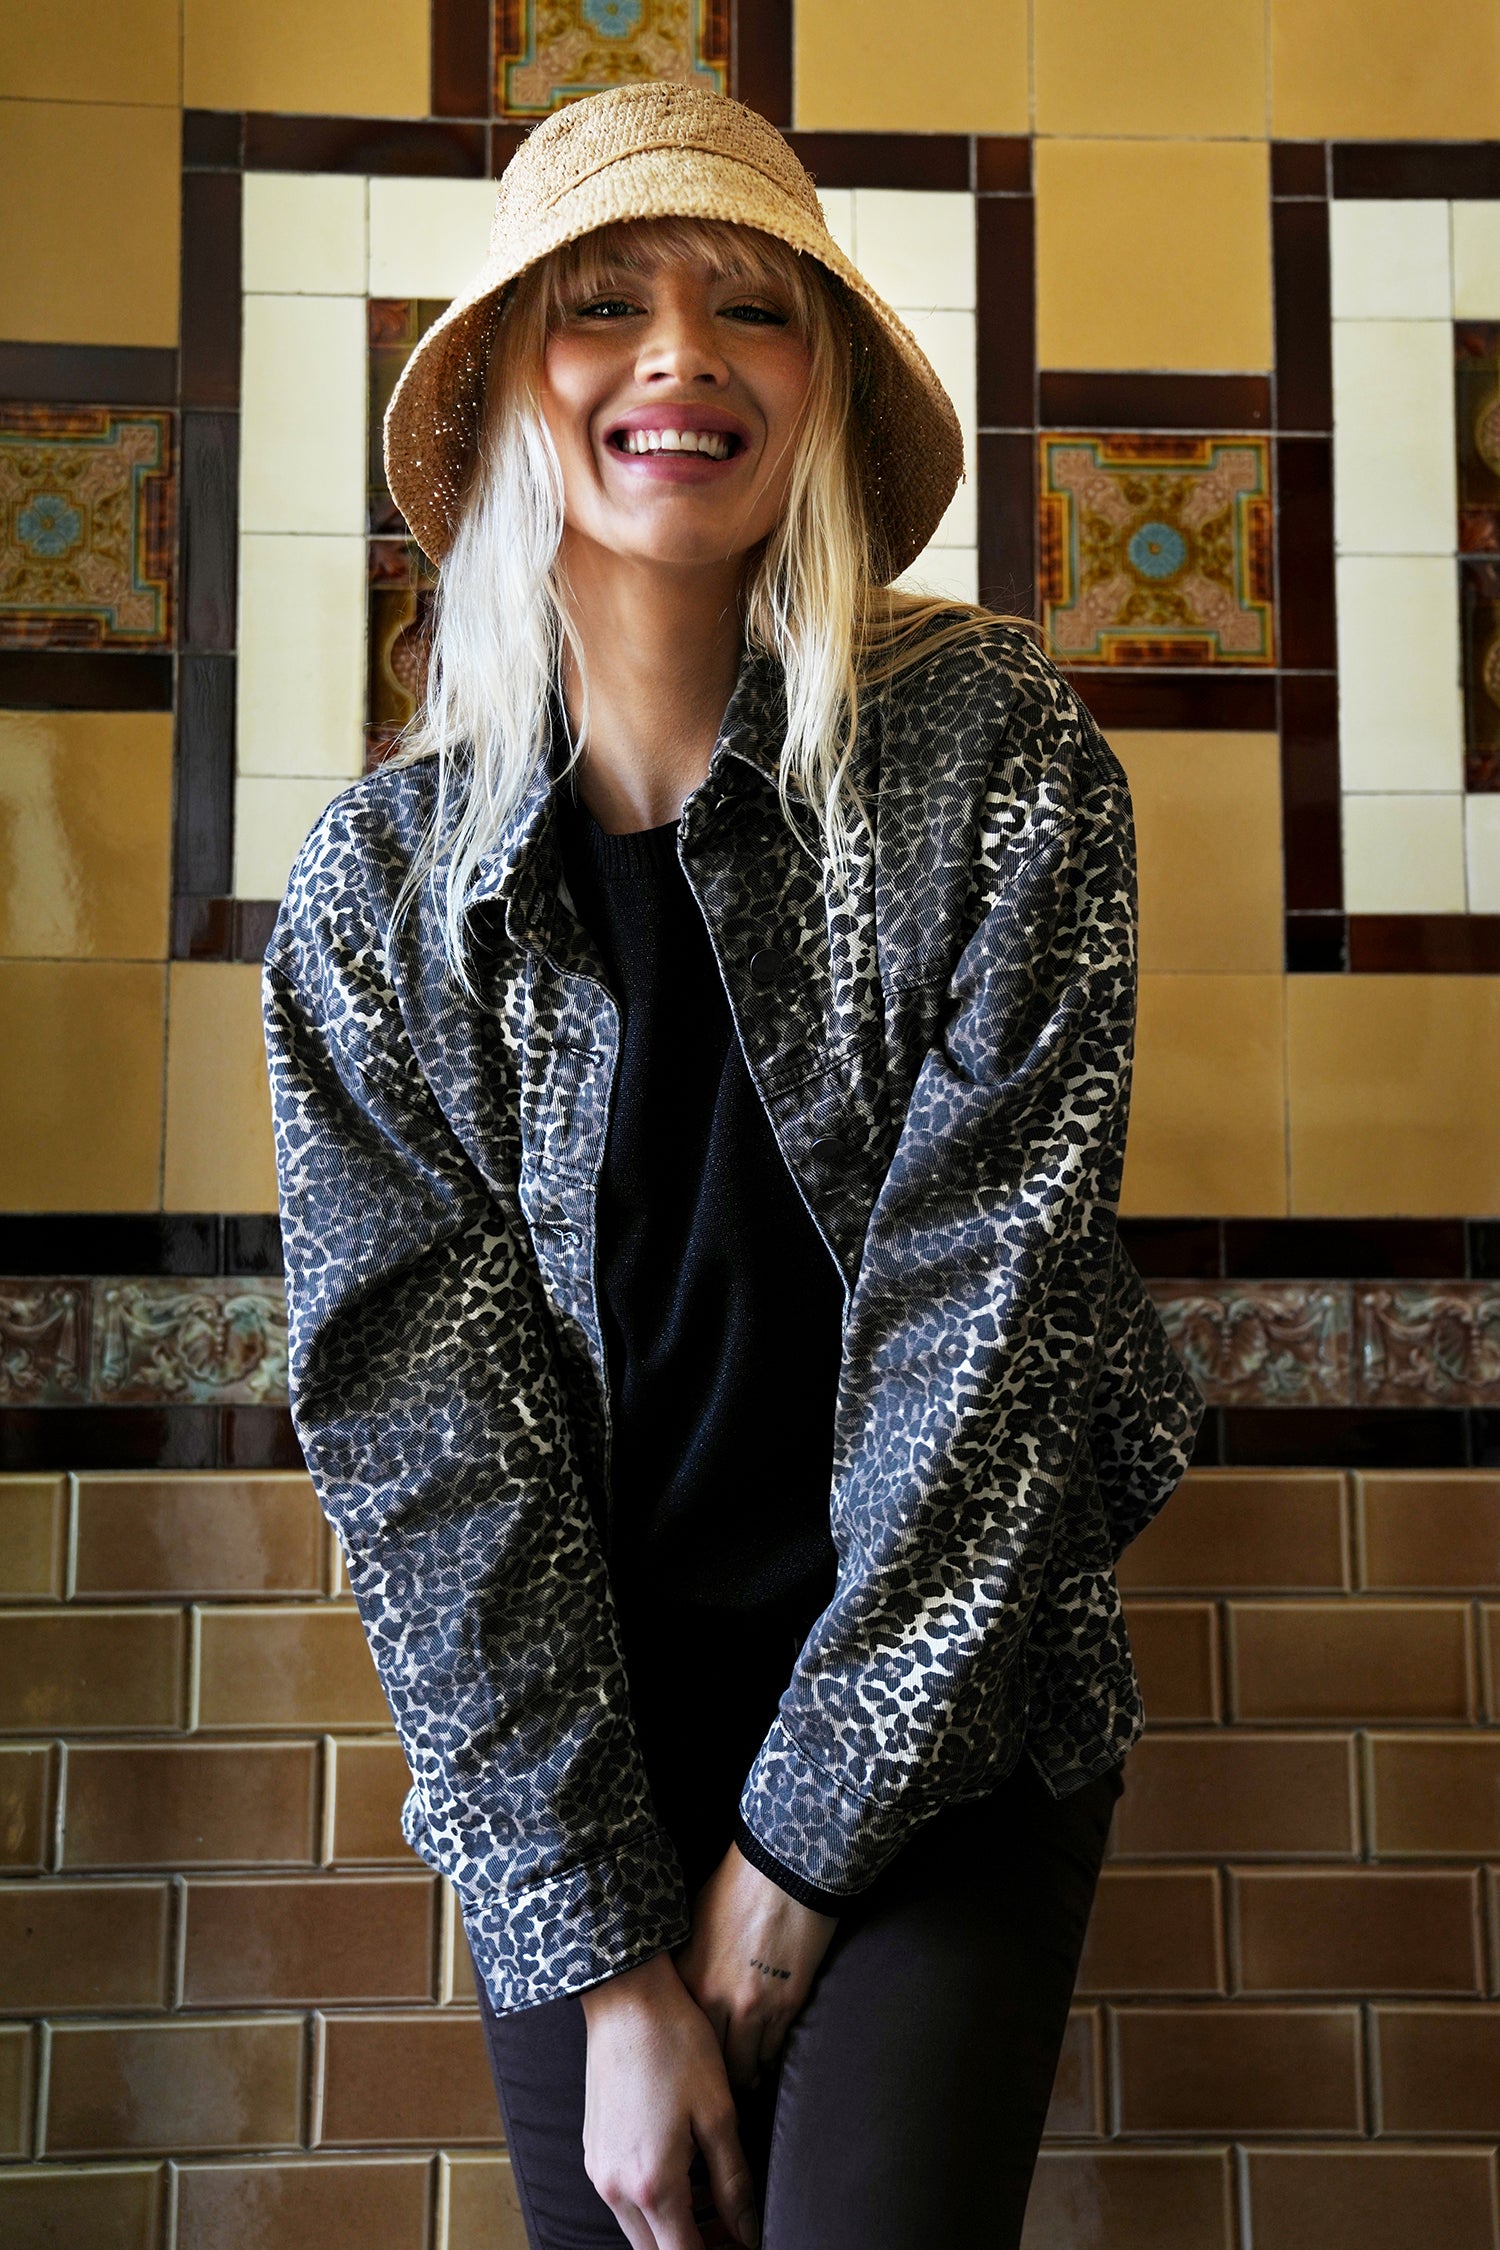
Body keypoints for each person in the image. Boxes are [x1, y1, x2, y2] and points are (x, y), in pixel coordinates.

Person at [263, 81, 1204, 2250]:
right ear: (516, 391)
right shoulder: (382, 898)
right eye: (604, 304)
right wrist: (611, 1964)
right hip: (577, 1769)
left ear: (820, 393)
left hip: (948, 1712)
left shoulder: (996, 769)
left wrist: (781, 1894)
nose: (680, 352)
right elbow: (426, 1457)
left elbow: (993, 1361)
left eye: (751, 308)